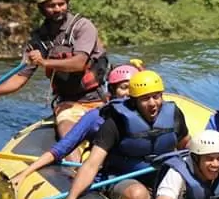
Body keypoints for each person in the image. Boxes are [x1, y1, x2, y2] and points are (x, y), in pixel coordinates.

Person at [0, 0, 110, 139]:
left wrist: (44, 62)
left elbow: (79, 63)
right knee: (68, 135)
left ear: (67, 3)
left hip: (98, 99)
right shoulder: (37, 41)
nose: (57, 9)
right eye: (51, 5)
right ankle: (73, 163)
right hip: (68, 103)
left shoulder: (83, 27)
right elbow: (20, 77)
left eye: (61, 4)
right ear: (41, 8)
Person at [55, 70, 189, 199]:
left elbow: (186, 146)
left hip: (161, 176)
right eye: (145, 99)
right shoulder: (116, 122)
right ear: (134, 101)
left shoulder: (173, 114)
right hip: (122, 177)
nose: (152, 103)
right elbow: (92, 164)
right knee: (138, 196)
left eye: (156, 97)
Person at [10, 64, 143, 188]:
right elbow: (60, 149)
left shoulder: (151, 114)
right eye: (124, 88)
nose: (129, 93)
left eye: (133, 88)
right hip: (113, 176)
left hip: (141, 172)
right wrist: (25, 172)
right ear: (112, 91)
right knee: (136, 195)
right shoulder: (96, 117)